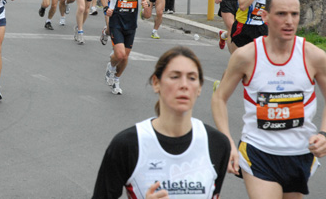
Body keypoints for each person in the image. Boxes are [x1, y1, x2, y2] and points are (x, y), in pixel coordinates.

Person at [211, 0, 326, 199]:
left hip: (299, 152)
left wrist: (324, 133)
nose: (289, 21)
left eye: (294, 14)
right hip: (258, 151)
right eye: (281, 14)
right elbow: (219, 98)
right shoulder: (246, 56)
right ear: (265, 16)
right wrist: (228, 142)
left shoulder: (314, 56)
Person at [93, 46, 231, 198]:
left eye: (192, 78)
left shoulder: (218, 144)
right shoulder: (128, 144)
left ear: (199, 88)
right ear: (156, 83)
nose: (184, 85)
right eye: (174, 77)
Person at [102, 0, 151, 95]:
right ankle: (110, 68)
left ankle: (116, 79)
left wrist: (145, 2)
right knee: (119, 54)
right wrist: (106, 9)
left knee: (125, 57)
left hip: (131, 24)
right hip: (116, 21)